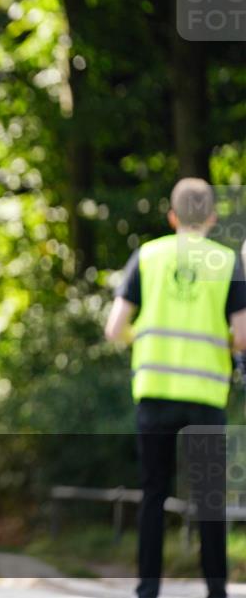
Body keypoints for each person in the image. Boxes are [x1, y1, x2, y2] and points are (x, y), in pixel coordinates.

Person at [104, 178, 246, 598]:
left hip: (155, 391)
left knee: (153, 493)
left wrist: (142, 340)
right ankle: (216, 590)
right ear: (213, 218)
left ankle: (148, 589)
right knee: (209, 498)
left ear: (172, 216)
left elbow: (114, 328)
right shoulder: (227, 261)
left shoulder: (147, 256)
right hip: (206, 397)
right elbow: (242, 336)